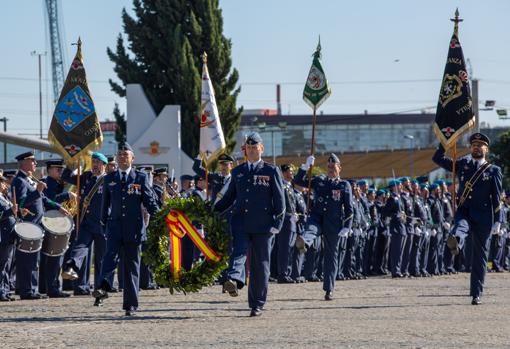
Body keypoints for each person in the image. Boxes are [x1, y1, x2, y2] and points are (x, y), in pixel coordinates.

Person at [214, 132, 285, 317]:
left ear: (261, 148)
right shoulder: (238, 172)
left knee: (260, 265)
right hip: (241, 222)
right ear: (245, 150)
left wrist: (277, 223)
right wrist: (211, 210)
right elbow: (229, 198)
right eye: (249, 148)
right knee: (239, 253)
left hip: (264, 226)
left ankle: (257, 303)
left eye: (255, 147)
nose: (252, 151)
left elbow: (280, 200)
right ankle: (234, 281)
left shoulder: (270, 171)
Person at [432, 132, 503, 305]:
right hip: (465, 210)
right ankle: (456, 242)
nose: (476, 147)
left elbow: (496, 197)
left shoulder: (494, 171)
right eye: (473, 145)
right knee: (460, 227)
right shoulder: (463, 164)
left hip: (485, 216)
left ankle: (476, 294)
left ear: (486, 149)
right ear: (471, 148)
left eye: (480, 145)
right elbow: (437, 158)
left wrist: (498, 220)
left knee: (480, 257)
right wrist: (446, 142)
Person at [92, 142, 159, 316]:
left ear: (132, 158)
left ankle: (130, 305)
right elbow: (104, 206)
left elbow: (150, 203)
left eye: (125, 155)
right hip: (114, 227)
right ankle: (103, 287)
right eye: (119, 154)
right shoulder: (109, 179)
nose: (122, 157)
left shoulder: (140, 178)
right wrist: (104, 225)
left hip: (134, 229)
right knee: (109, 258)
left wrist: (161, 217)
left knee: (131, 268)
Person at [293, 153, 353, 300]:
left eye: (334, 166)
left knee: (331, 256)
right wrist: (305, 167)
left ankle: (329, 289)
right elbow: (299, 181)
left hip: (334, 224)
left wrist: (347, 226)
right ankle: (304, 243)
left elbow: (349, 208)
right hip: (317, 217)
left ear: (340, 168)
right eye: (329, 166)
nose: (331, 168)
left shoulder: (344, 185)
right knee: (310, 230)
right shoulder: (319, 180)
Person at [12, 151, 69, 300]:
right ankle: (27, 290)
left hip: (37, 225)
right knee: (27, 260)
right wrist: (37, 191)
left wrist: (58, 207)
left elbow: (44, 199)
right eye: (32, 160)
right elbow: (21, 203)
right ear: (24, 162)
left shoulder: (30, 180)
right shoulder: (19, 181)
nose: (35, 163)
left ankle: (32, 288)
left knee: (34, 260)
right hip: (28, 225)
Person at [61, 152, 109, 302]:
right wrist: (71, 162)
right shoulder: (85, 177)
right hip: (86, 222)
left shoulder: (109, 180)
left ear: (104, 165)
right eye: (93, 161)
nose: (95, 164)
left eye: (98, 162)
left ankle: (100, 290)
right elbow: (66, 177)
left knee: (102, 259)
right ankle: (72, 268)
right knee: (79, 246)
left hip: (102, 224)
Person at [39, 159, 74, 298]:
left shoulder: (56, 183)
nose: (60, 171)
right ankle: (52, 288)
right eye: (57, 169)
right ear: (49, 170)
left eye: (61, 169)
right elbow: (49, 200)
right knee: (53, 257)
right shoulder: (48, 183)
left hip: (53, 222)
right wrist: (67, 195)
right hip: (50, 222)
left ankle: (45, 287)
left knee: (51, 258)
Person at [0, 175, 17, 301]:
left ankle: (4, 290)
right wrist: (11, 211)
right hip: (2, 234)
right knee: (2, 264)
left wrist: (19, 210)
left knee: (6, 264)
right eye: (2, 182)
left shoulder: (3, 197)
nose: (5, 184)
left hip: (9, 235)